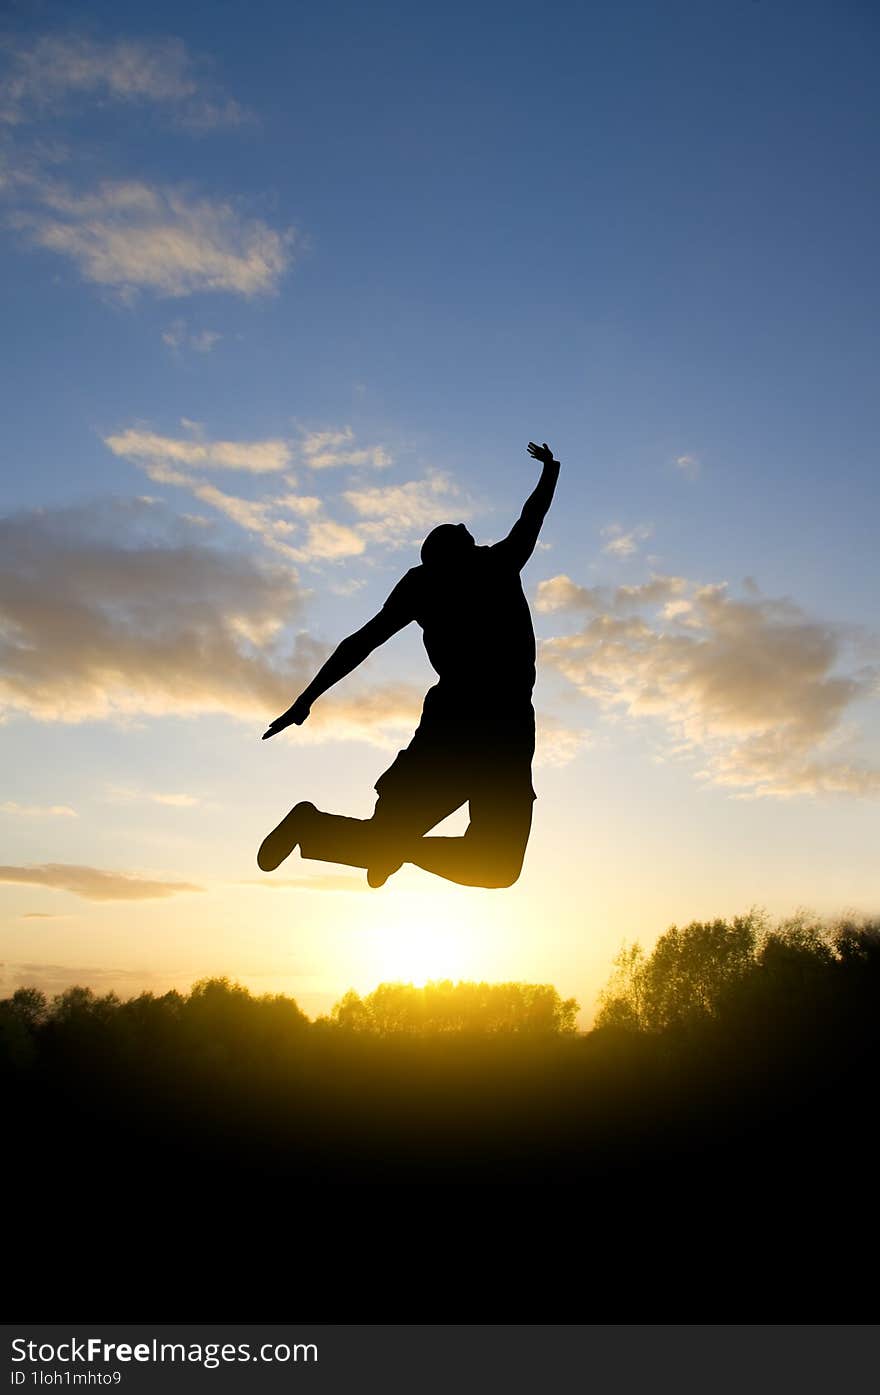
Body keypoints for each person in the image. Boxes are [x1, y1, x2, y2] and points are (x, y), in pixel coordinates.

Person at [258, 440, 561, 889]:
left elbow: (359, 643)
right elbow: (360, 642)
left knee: (496, 867)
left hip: (509, 727)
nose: (464, 526)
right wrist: (550, 471)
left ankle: (378, 845)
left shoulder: (487, 564)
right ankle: (363, 840)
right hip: (461, 724)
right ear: (449, 553)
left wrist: (305, 702)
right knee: (432, 848)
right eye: (457, 531)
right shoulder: (471, 570)